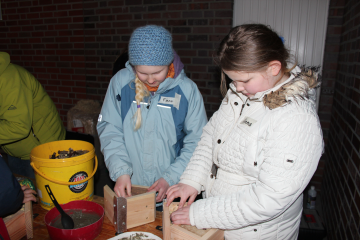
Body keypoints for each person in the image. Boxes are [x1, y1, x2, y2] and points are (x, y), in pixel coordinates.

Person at [166, 24, 324, 239]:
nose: (236, 87)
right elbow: (211, 139)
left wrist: (200, 213)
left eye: (244, 80)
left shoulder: (296, 120)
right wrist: (192, 180)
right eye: (232, 79)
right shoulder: (242, 93)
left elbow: (269, 199)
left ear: (274, 68)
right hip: (220, 222)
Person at [97, 25, 208, 203]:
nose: (150, 80)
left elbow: (198, 142)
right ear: (133, 66)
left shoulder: (187, 91)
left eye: (157, 72)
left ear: (169, 63)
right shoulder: (120, 83)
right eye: (142, 73)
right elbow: (110, 129)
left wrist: (170, 178)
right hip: (130, 189)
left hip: (171, 191)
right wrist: (121, 171)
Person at [0, 52, 66, 179]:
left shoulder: (9, 79)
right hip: (14, 149)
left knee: (46, 195)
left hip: (43, 149)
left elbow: (18, 127)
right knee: (23, 193)